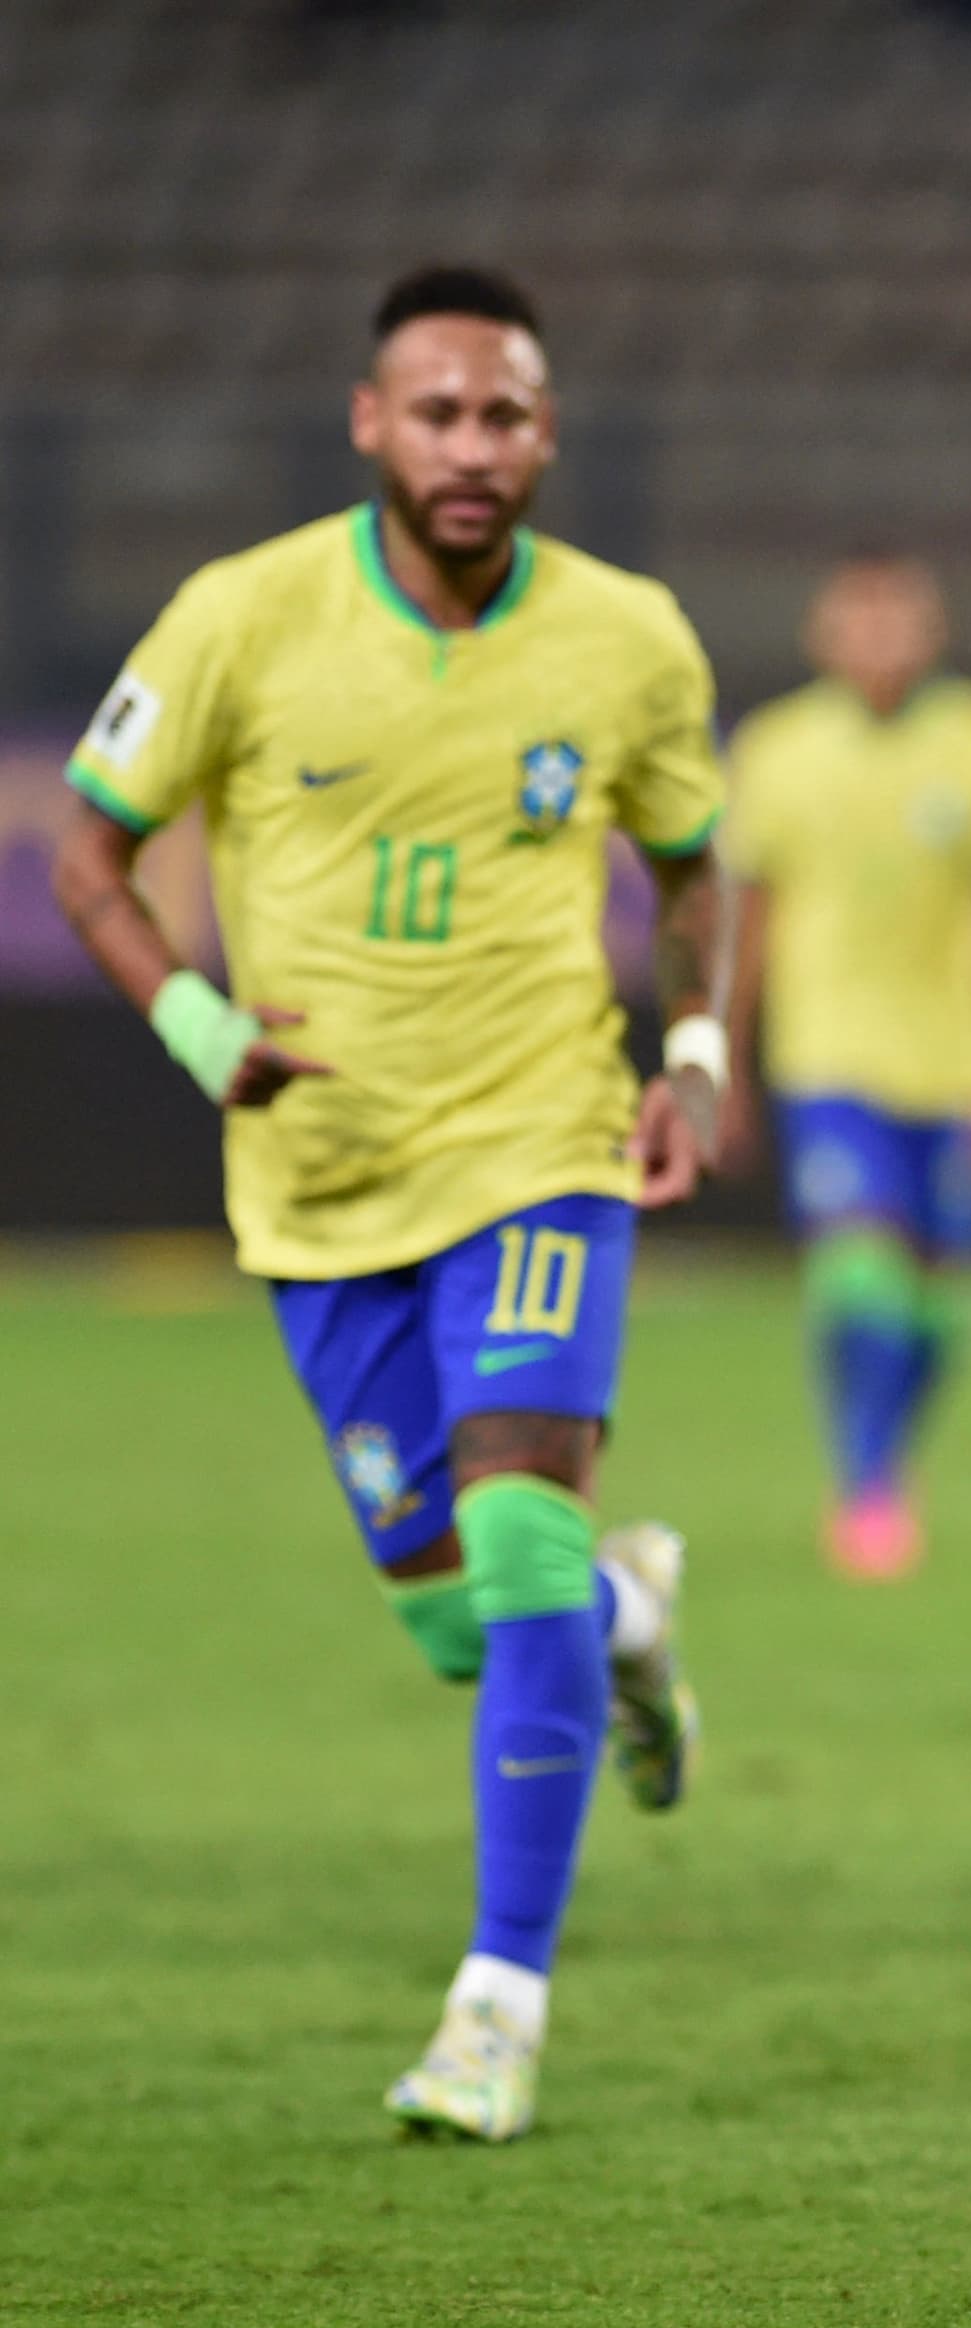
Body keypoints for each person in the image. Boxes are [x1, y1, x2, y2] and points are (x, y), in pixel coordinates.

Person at [47, 264, 725, 2143]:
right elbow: (87, 848)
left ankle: (497, 2002)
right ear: (370, 425)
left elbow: (690, 869)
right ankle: (630, 1620)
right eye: (436, 411)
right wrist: (197, 1022)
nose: (472, 447)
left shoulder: (629, 639)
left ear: (547, 432)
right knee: (460, 1615)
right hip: (319, 1188)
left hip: (538, 1144)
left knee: (509, 1555)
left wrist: (694, 1058)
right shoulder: (242, 618)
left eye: (505, 413)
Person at [724, 552, 971, 1579]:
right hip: (829, 1055)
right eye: (856, 618)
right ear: (821, 634)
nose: (877, 638)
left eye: (897, 617)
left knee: (940, 1301)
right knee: (858, 1268)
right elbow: (754, 920)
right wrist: (722, 1063)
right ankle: (866, 1484)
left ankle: (885, 1459)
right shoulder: (776, 752)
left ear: (934, 628)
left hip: (960, 1061)